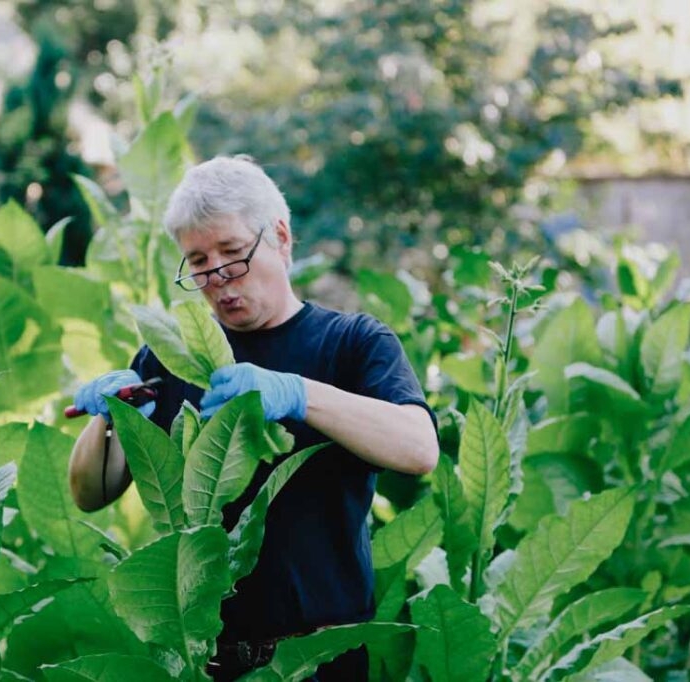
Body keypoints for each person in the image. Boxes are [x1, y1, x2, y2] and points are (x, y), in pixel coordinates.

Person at [68, 155, 439, 681]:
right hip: (205, 662)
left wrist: (298, 393)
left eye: (233, 253)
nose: (218, 277)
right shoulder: (172, 356)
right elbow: (90, 492)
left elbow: (419, 448)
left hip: (319, 663)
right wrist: (107, 421)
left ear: (281, 238)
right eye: (197, 262)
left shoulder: (353, 343)